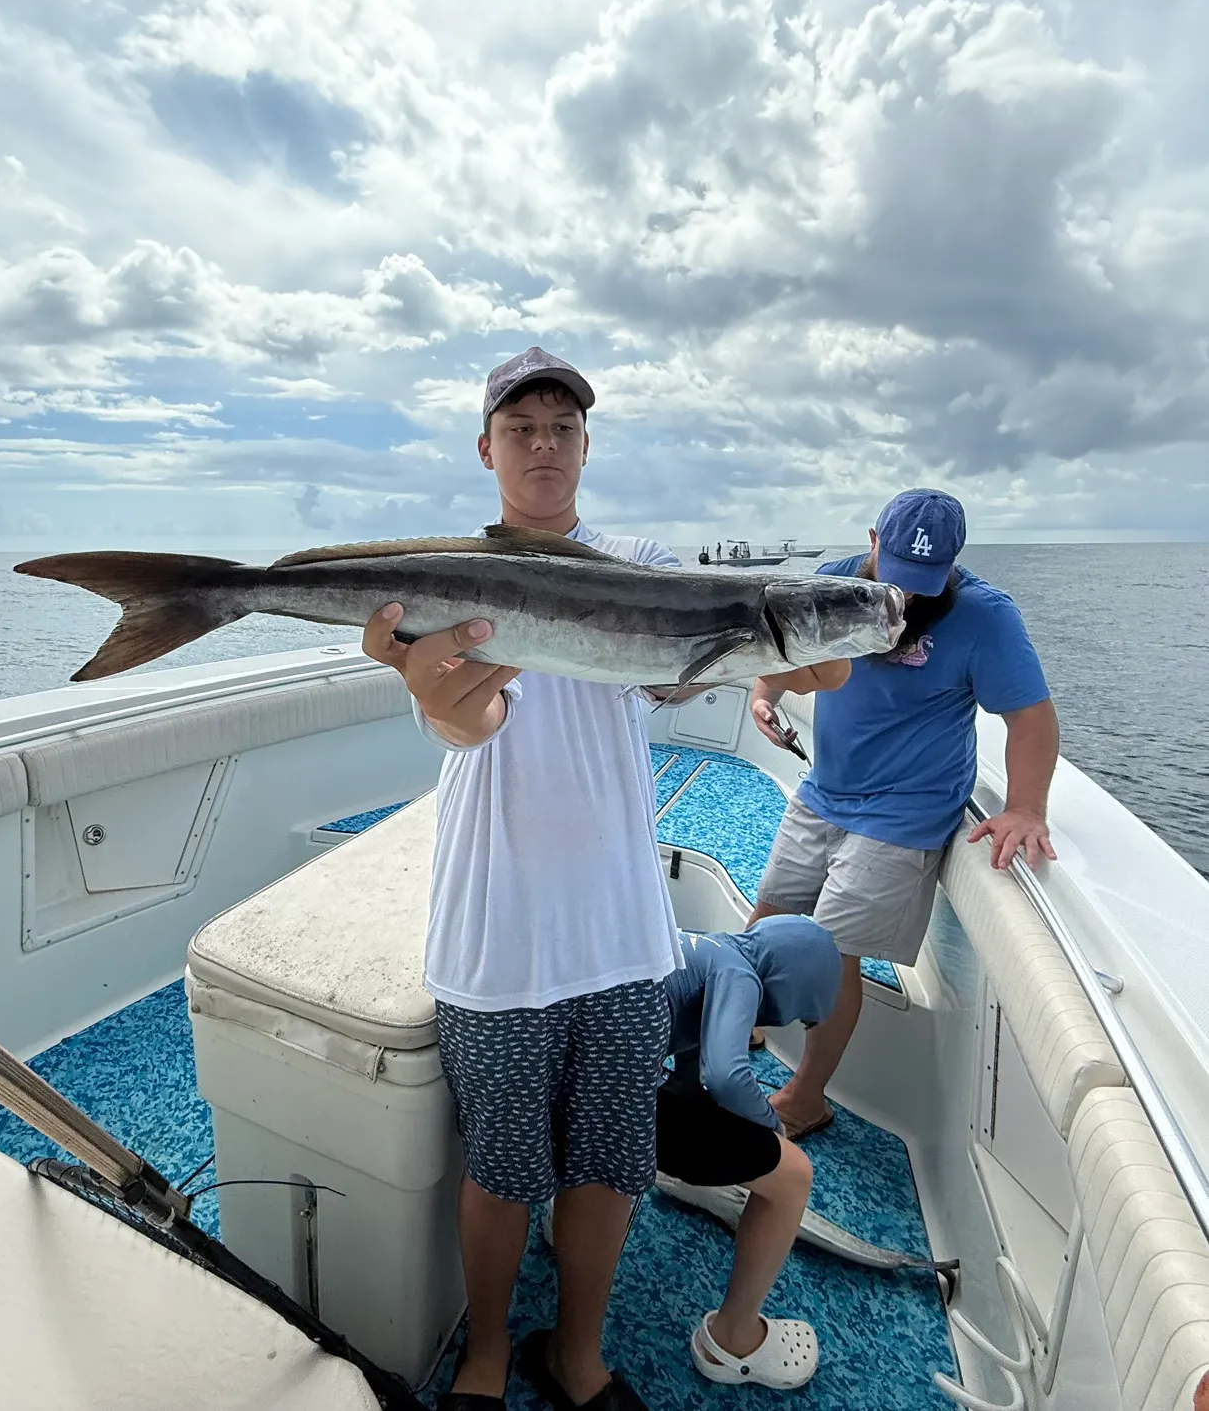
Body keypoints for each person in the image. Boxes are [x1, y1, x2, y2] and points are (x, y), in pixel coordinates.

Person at [360, 347, 844, 1411]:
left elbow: (684, 672)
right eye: (521, 426)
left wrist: (789, 655)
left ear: (586, 445)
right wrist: (443, 701)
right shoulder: (446, 583)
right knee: (501, 1172)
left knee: (610, 1164)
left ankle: (576, 1355)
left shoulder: (642, 568)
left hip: (625, 937)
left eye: (563, 427)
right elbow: (471, 717)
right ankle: (488, 1353)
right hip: (497, 937)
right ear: (486, 448)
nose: (543, 443)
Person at [748, 489, 1058, 1140]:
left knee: (832, 954)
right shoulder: (832, 583)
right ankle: (744, 1022)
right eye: (897, 580)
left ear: (954, 564)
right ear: (872, 542)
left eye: (926, 584)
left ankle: (807, 1099)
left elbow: (1030, 716)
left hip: (904, 811)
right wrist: (763, 692)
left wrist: (1028, 806)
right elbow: (785, 647)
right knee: (768, 919)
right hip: (825, 789)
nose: (908, 600)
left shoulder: (985, 617)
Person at [656, 920, 842, 1390]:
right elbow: (726, 1075)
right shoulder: (740, 973)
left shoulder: (705, 945)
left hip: (564, 1064)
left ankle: (573, 1207)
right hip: (608, 1100)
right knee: (794, 1173)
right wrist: (771, 1127)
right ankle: (733, 1340)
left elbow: (691, 1051)